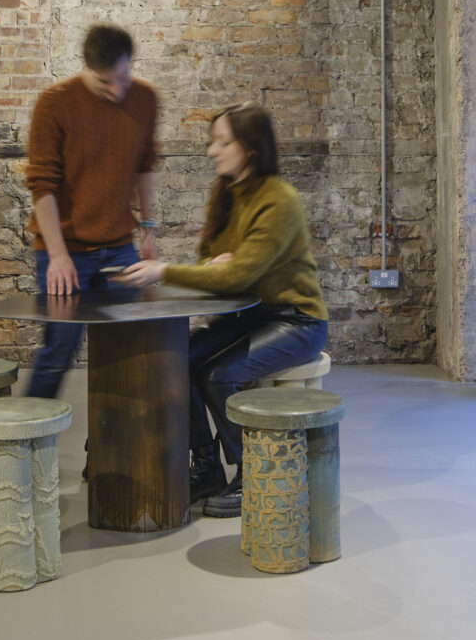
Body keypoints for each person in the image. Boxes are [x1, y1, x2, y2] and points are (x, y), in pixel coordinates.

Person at [111, 103, 326, 519]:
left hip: (295, 320)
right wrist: (220, 266)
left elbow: (235, 274)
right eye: (213, 141)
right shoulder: (226, 193)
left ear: (250, 147)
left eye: (223, 142)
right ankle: (207, 467)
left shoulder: (278, 200)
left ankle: (252, 472)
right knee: (177, 361)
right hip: (246, 315)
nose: (212, 150)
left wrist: (164, 271)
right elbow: (213, 260)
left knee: (218, 373)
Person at [20, 23, 160, 400]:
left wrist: (148, 229)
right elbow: (42, 185)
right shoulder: (55, 103)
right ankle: (24, 448)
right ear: (87, 68)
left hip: (118, 246)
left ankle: (111, 453)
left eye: (123, 78)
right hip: (64, 247)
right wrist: (59, 256)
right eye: (104, 82)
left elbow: (145, 166)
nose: (116, 90)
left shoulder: (145, 98)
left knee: (129, 350)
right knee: (59, 351)